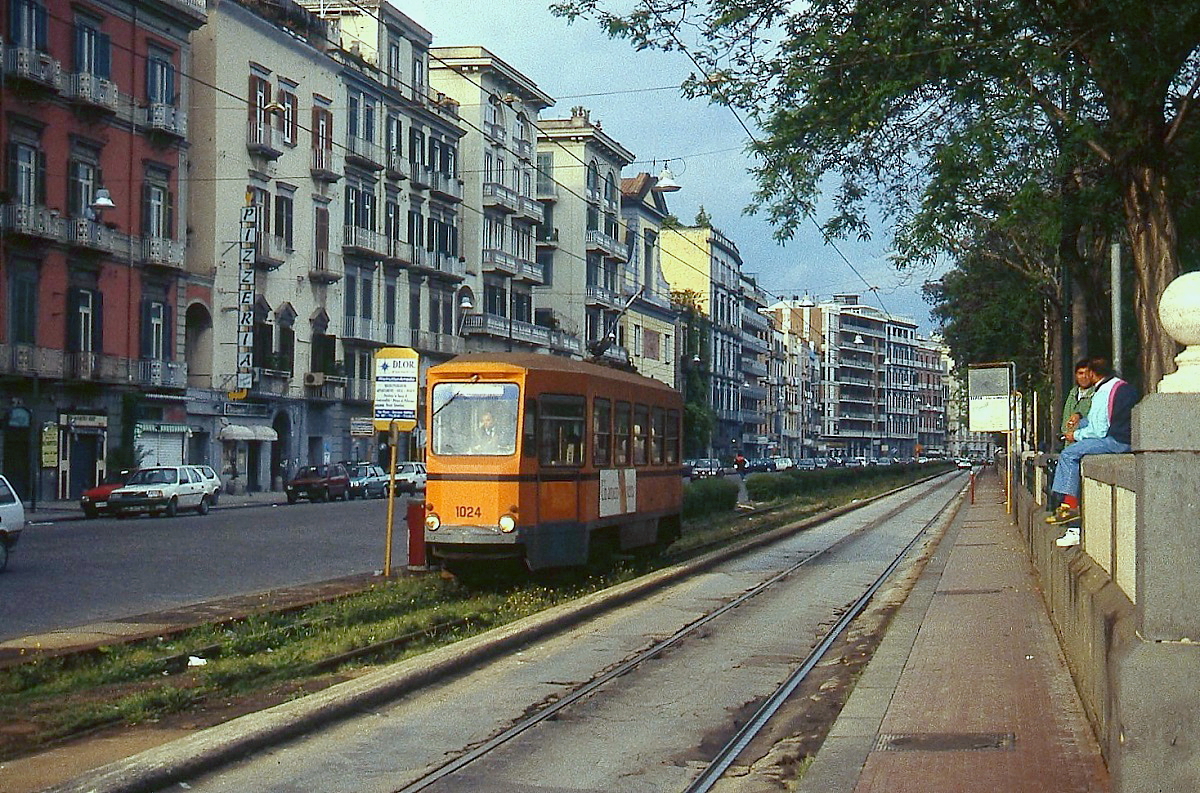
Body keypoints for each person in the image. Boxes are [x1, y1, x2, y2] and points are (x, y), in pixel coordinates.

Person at [1045, 357, 1138, 546]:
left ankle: (1071, 516)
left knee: (1068, 455)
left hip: (1116, 441)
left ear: (1093, 374)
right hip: (1129, 439)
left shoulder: (1102, 392)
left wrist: (1075, 436)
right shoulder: (1122, 386)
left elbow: (1099, 430)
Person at [1060, 359, 1097, 446]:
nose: (1084, 377)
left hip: (1086, 441)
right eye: (1080, 373)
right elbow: (1066, 417)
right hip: (1069, 442)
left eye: (1087, 373)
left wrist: (1079, 416)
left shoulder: (1097, 393)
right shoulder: (1073, 393)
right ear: (1076, 375)